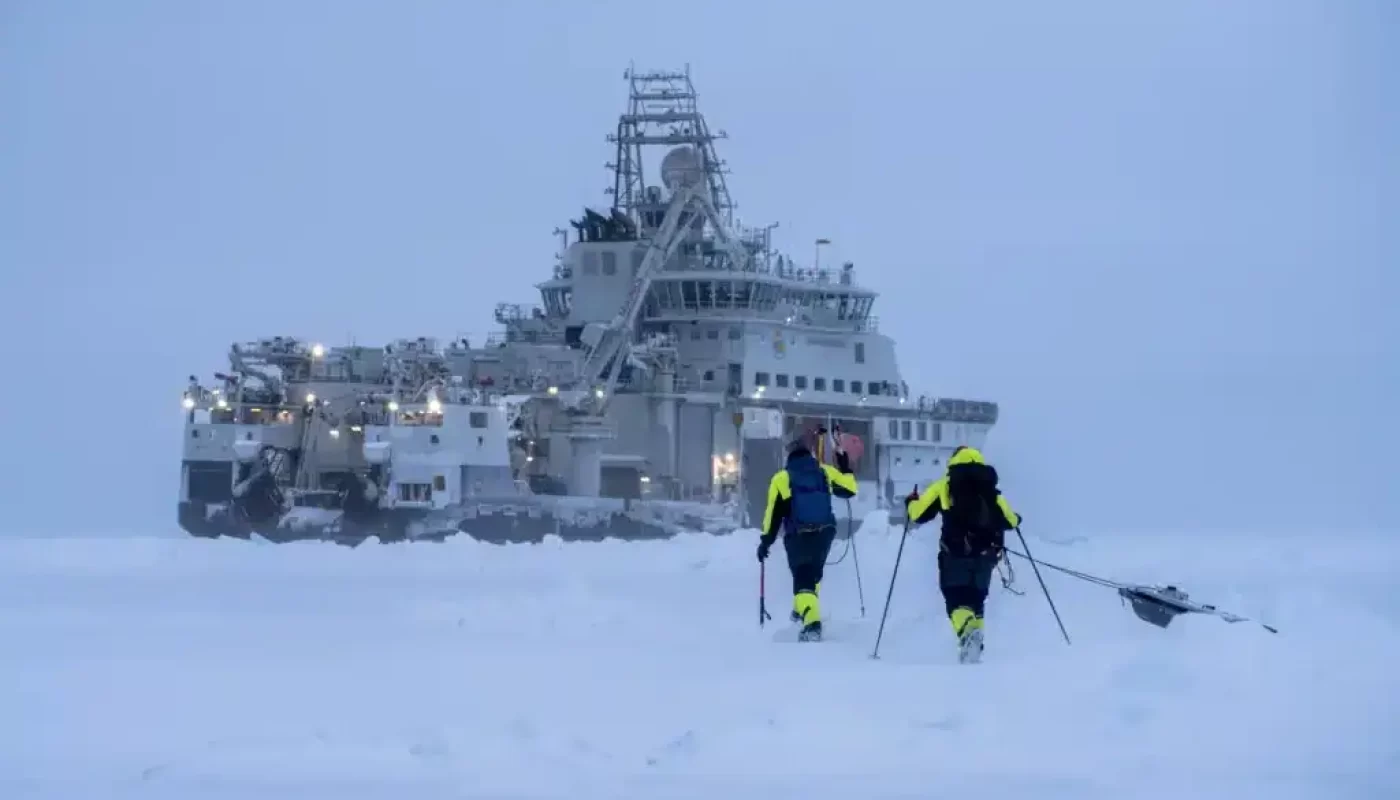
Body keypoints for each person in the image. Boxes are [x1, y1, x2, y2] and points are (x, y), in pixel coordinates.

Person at [905, 445, 1020, 662]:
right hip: (986, 556)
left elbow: (918, 514)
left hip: (955, 554)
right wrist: (1017, 518)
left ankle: (968, 633)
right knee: (976, 601)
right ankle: (972, 648)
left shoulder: (945, 485)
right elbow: (1010, 520)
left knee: (956, 602)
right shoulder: (990, 489)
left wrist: (910, 502)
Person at [757, 434, 859, 641]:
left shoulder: (782, 478)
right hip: (826, 532)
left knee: (802, 578)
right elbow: (850, 489)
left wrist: (766, 541)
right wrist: (845, 466)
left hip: (799, 535)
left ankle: (812, 624)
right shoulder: (824, 471)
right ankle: (800, 608)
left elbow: (773, 514)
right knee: (813, 574)